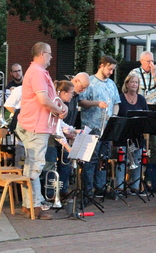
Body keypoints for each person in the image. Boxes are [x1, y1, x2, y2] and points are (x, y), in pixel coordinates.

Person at [16, 42, 67, 220]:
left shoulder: (37, 71)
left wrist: (59, 105)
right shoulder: (37, 72)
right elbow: (44, 100)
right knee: (35, 168)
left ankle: (28, 205)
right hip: (36, 126)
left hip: (34, 124)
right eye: (50, 54)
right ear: (43, 54)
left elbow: (49, 99)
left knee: (31, 167)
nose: (52, 57)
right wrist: (59, 110)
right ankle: (35, 207)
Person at [78, 56, 120, 198]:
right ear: (101, 65)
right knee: (90, 159)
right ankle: (88, 190)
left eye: (113, 70)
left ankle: (100, 186)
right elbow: (81, 101)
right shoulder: (90, 82)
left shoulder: (112, 84)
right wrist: (97, 103)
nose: (111, 72)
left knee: (103, 158)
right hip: (91, 126)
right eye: (109, 69)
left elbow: (116, 103)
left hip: (106, 127)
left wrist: (113, 116)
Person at [42, 80, 79, 201]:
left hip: (58, 138)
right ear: (63, 92)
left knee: (65, 163)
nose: (72, 95)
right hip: (50, 139)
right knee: (51, 165)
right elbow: (55, 129)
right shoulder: (54, 103)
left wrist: (72, 130)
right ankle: (50, 193)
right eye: (71, 93)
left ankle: (62, 190)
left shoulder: (61, 104)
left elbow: (60, 123)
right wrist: (67, 145)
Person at [129, 51, 156, 165]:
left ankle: (152, 170)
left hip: (154, 108)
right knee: (137, 142)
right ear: (141, 61)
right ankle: (137, 165)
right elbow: (129, 88)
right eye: (148, 61)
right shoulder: (134, 72)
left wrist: (154, 74)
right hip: (139, 107)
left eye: (152, 61)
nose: (151, 64)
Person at [115, 74, 148, 193]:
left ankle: (135, 185)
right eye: (132, 82)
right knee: (122, 160)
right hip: (123, 135)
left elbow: (146, 116)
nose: (134, 84)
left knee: (136, 159)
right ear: (127, 84)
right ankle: (119, 186)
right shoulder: (120, 98)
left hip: (136, 136)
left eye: (136, 82)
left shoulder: (142, 99)